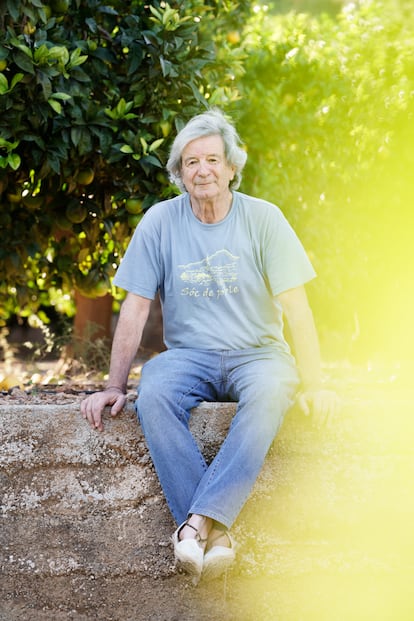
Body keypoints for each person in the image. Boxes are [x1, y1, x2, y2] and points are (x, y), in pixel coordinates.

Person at [80, 109, 339, 582]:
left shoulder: (265, 220)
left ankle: (194, 526)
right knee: (153, 390)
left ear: (232, 167)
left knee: (271, 392)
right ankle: (215, 534)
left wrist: (317, 384)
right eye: (191, 161)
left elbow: (298, 311)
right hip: (189, 357)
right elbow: (135, 308)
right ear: (180, 173)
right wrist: (114, 385)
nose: (203, 170)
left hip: (259, 353)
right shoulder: (160, 221)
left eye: (213, 160)